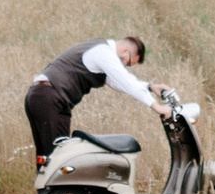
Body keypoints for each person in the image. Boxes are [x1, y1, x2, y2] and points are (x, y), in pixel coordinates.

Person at [25, 36, 176, 169]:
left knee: (48, 158)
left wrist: (150, 87)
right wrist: (157, 107)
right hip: (51, 98)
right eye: (128, 63)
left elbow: (118, 82)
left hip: (42, 96)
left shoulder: (98, 50)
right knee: (57, 158)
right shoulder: (103, 52)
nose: (125, 66)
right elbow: (125, 80)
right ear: (125, 50)